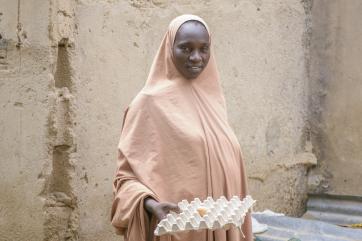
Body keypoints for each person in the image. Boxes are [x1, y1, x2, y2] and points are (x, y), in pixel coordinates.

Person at [111, 14, 252, 241]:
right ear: (170, 48)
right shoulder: (148, 103)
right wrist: (149, 204)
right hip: (177, 230)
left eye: (203, 49)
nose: (196, 57)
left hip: (221, 227)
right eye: (186, 48)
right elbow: (125, 179)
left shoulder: (213, 99)